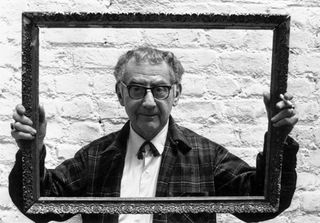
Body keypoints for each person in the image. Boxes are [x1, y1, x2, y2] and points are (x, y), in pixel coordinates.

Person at [9, 46, 299, 223]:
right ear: (120, 94)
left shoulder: (206, 155)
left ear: (176, 93)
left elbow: (263, 204)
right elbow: (39, 206)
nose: (148, 102)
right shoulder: (94, 157)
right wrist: (30, 150)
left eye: (159, 89)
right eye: (137, 89)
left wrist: (278, 140)